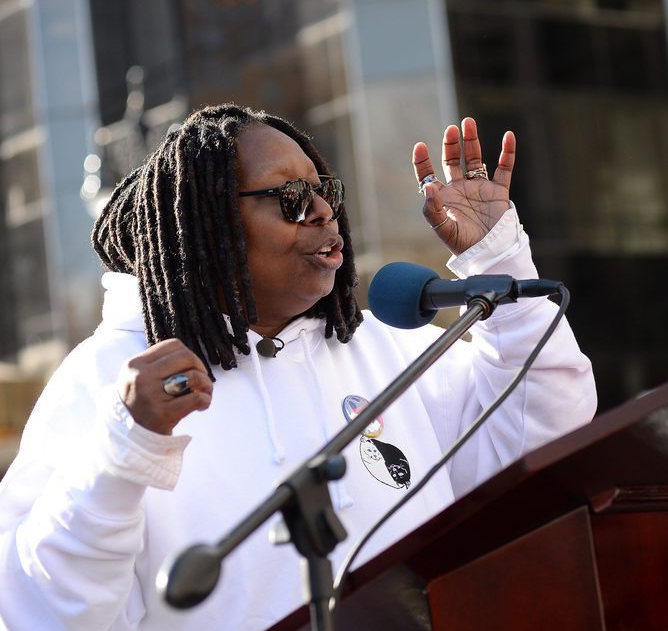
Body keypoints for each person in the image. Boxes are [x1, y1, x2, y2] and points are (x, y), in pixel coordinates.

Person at [0, 104, 597, 631]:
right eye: (289, 198)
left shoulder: (382, 348)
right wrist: (123, 452)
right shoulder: (111, 379)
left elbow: (542, 432)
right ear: (203, 227)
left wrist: (497, 254)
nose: (320, 212)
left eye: (324, 191)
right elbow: (44, 612)